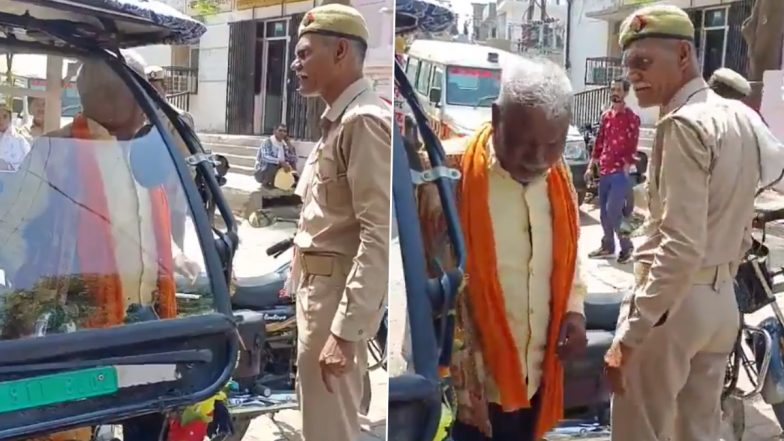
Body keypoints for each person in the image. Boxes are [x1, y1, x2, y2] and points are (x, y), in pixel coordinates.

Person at [604, 5, 759, 441]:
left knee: (642, 430)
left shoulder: (682, 124)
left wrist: (632, 334)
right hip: (723, 299)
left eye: (644, 62)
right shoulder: (737, 117)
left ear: (684, 56)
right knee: (699, 431)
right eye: (629, 65)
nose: (633, 75)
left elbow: (680, 245)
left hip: (674, 306)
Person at [418, 56, 587, 441]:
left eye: (553, 144)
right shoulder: (446, 175)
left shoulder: (559, 180)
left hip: (538, 379)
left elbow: (571, 255)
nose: (539, 158)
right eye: (524, 142)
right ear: (497, 117)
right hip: (471, 386)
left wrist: (574, 310)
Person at [288, 4, 390, 441]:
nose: (296, 64)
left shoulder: (364, 121)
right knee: (321, 424)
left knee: (331, 430)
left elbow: (378, 235)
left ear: (341, 51)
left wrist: (346, 334)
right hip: (318, 297)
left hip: (335, 305)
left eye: (305, 53)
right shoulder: (337, 123)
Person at [585, 78, 640, 264]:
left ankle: (627, 246)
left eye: (618, 89)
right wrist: (591, 164)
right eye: (613, 88)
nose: (615, 92)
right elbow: (599, 141)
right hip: (605, 170)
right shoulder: (606, 116)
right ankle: (608, 246)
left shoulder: (631, 117)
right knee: (603, 214)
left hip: (619, 172)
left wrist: (626, 165)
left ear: (625, 93)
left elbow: (633, 144)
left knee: (613, 211)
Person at [0, 104, 31, 172]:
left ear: (10, 119)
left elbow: (28, 164)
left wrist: (7, 166)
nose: (1, 120)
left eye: (5, 116)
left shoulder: (20, 141)